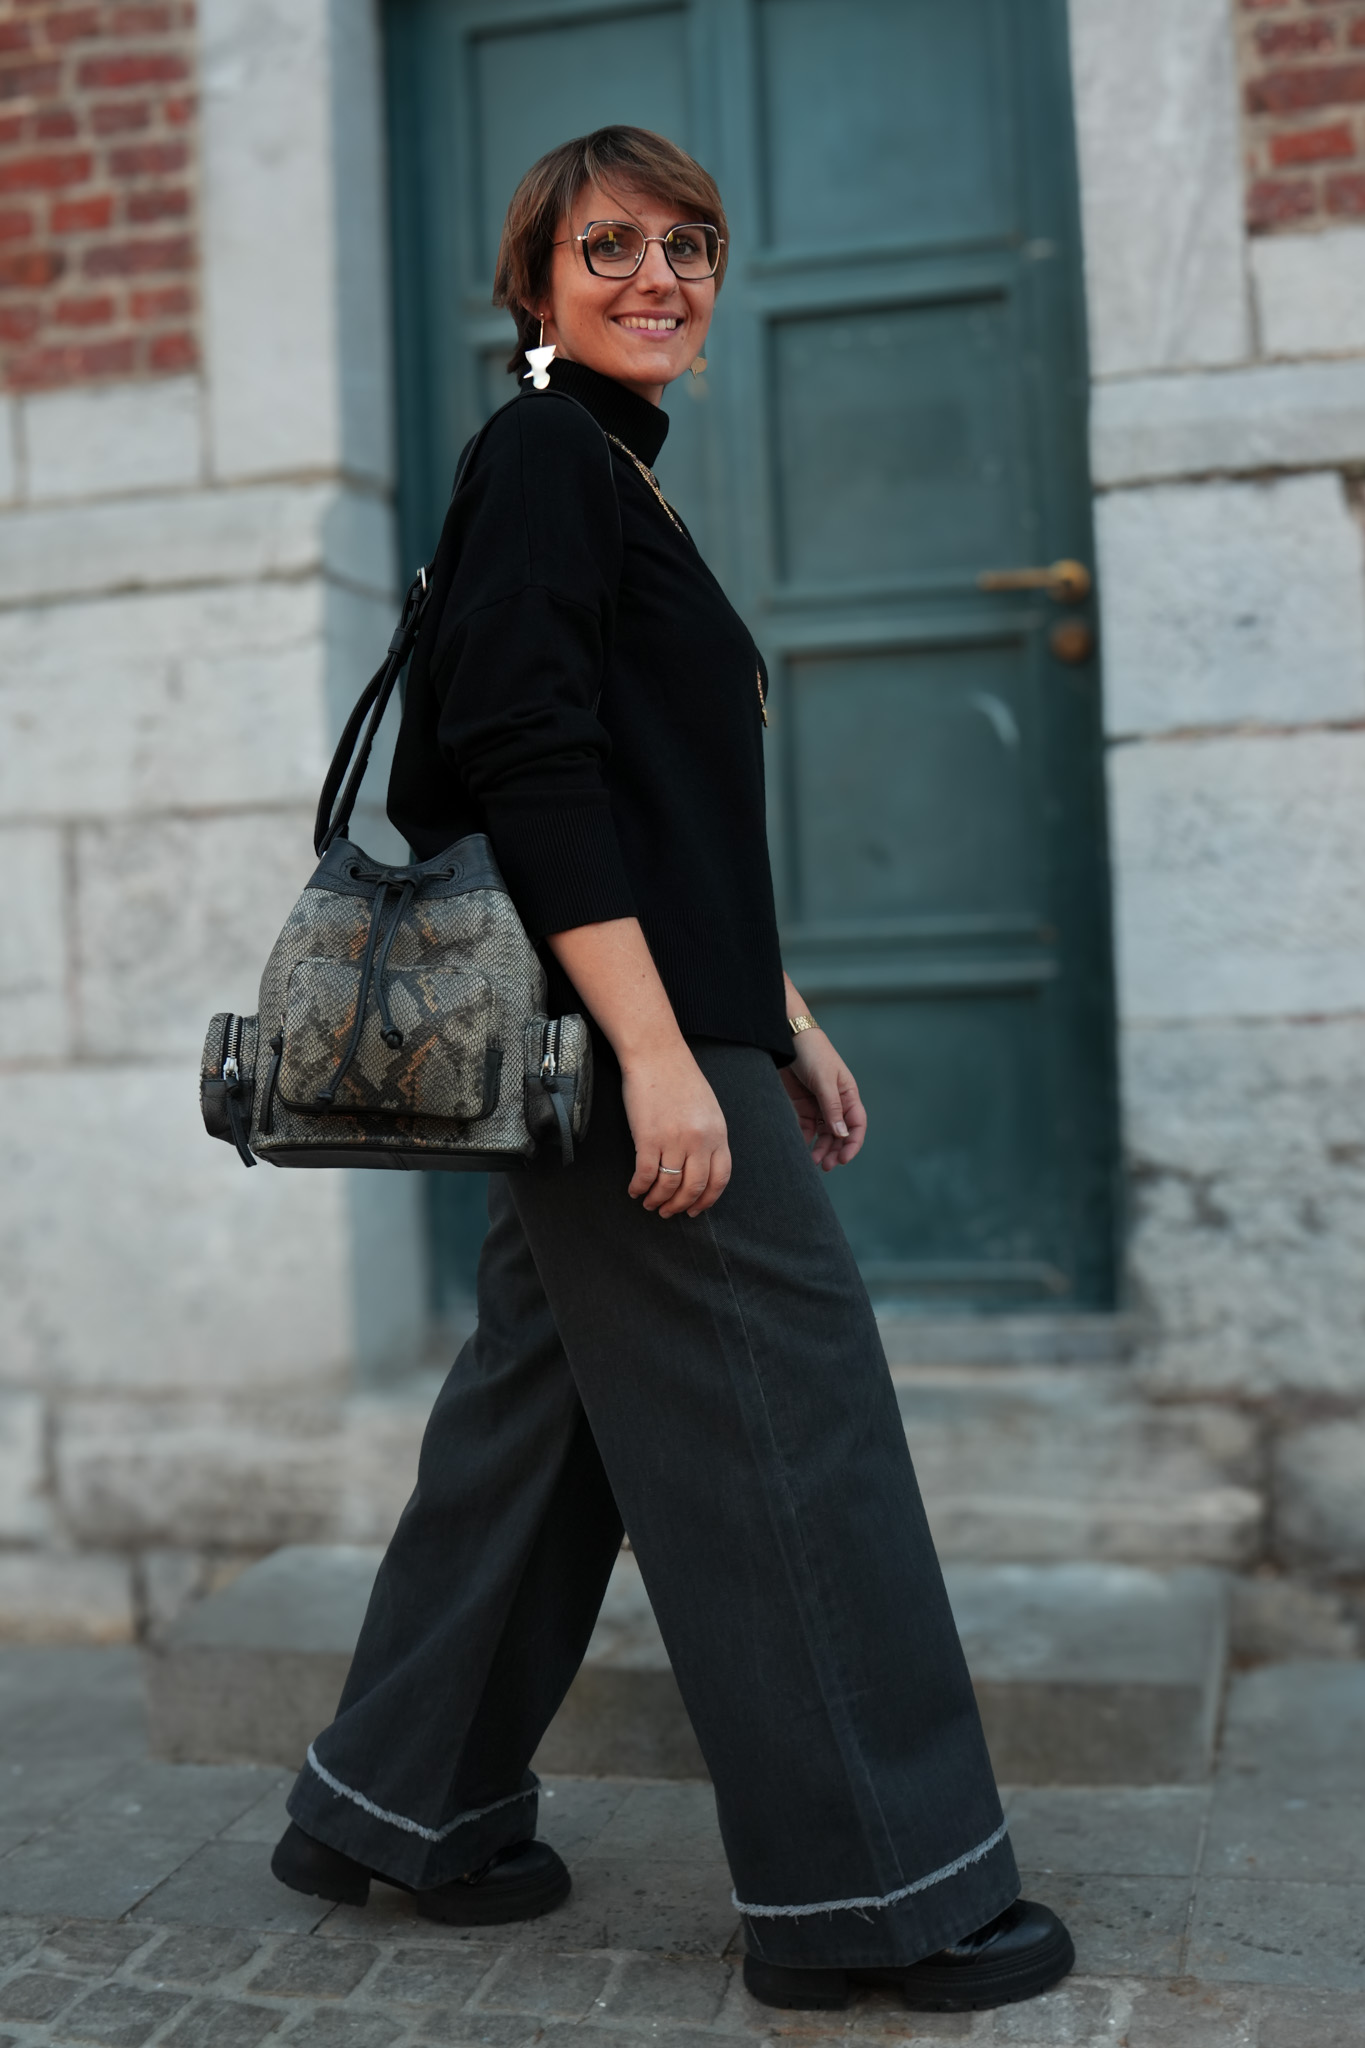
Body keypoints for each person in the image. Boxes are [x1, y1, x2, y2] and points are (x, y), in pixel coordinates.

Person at [269, 125, 1074, 2017]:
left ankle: (395, 1805)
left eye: (688, 245)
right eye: (610, 245)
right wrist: (659, 1055)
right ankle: (881, 1896)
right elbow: (528, 764)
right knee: (791, 1419)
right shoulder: (549, 457)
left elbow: (659, 811)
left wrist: (776, 1015)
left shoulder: (607, 476)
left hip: (631, 1019)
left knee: (540, 1419)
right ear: (533, 286)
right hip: (607, 1036)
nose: (658, 276)